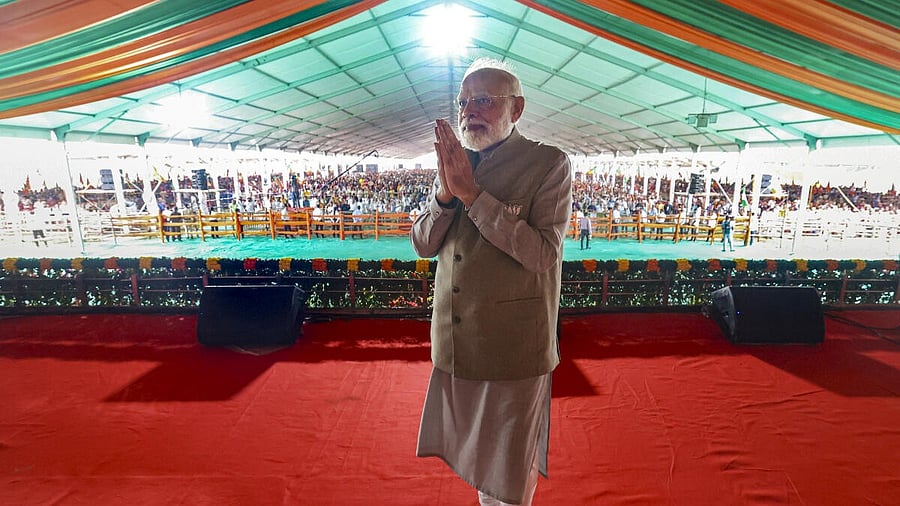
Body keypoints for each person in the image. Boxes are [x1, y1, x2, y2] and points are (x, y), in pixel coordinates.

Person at [411, 58, 572, 506]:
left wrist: (472, 196)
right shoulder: (454, 162)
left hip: (513, 344)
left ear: (516, 109)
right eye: (464, 102)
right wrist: (445, 195)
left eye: (483, 100)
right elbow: (423, 243)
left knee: (510, 466)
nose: (469, 111)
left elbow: (541, 254)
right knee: (482, 462)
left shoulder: (548, 164)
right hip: (457, 341)